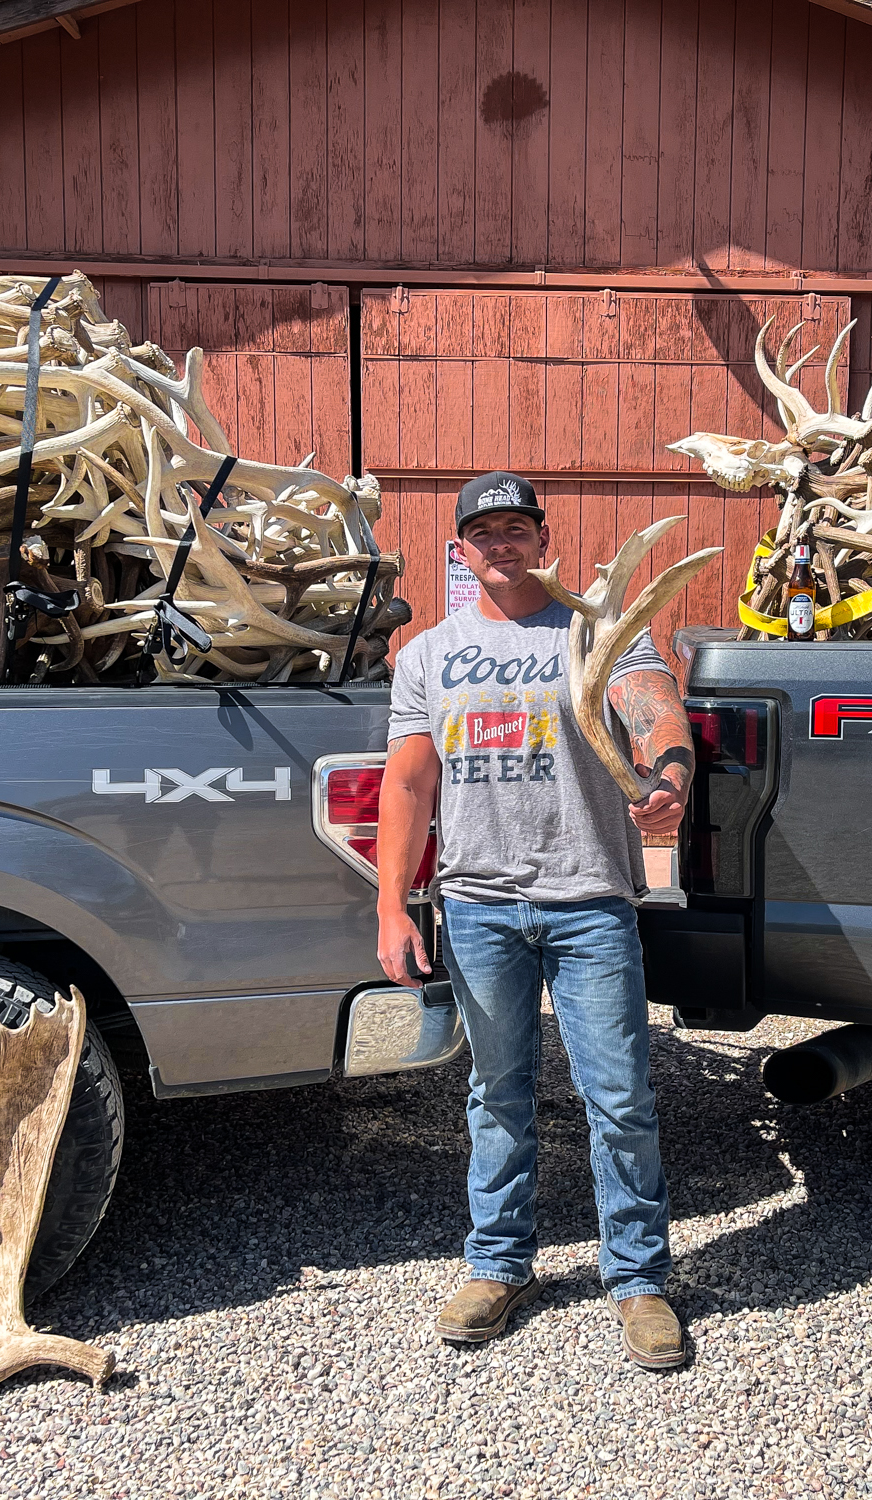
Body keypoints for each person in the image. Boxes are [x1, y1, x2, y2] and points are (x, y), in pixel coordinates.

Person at [375, 471, 695, 1371]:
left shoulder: (599, 631)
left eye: (518, 528)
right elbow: (407, 782)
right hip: (476, 904)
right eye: (485, 532)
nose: (503, 544)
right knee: (496, 1097)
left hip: (588, 898)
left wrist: (668, 776)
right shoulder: (427, 656)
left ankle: (637, 1278)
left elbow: (655, 711)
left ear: (542, 539)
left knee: (620, 1098)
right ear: (460, 551)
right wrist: (392, 901)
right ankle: (498, 1264)